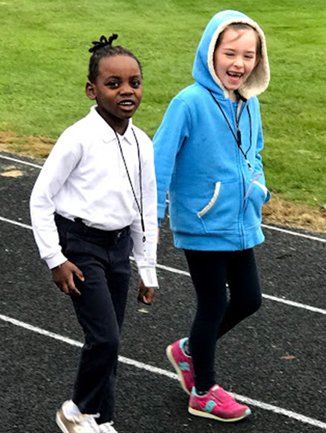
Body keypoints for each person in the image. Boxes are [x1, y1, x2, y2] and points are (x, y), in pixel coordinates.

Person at [30, 34, 158, 433]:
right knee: (105, 339)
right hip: (80, 246)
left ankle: (101, 418)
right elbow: (40, 198)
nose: (126, 91)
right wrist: (56, 257)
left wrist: (147, 268)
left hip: (118, 247)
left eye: (134, 82)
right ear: (92, 89)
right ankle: (74, 411)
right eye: (113, 83)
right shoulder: (78, 138)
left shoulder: (142, 143)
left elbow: (145, 208)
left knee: (111, 339)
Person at [153, 10, 271, 422]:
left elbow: (253, 152)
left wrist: (258, 188)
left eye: (249, 55)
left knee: (249, 299)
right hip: (202, 222)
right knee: (212, 303)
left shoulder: (249, 103)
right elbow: (159, 161)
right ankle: (203, 390)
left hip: (240, 221)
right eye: (230, 53)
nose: (239, 63)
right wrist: (152, 218)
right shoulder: (189, 102)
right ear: (211, 53)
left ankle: (188, 351)